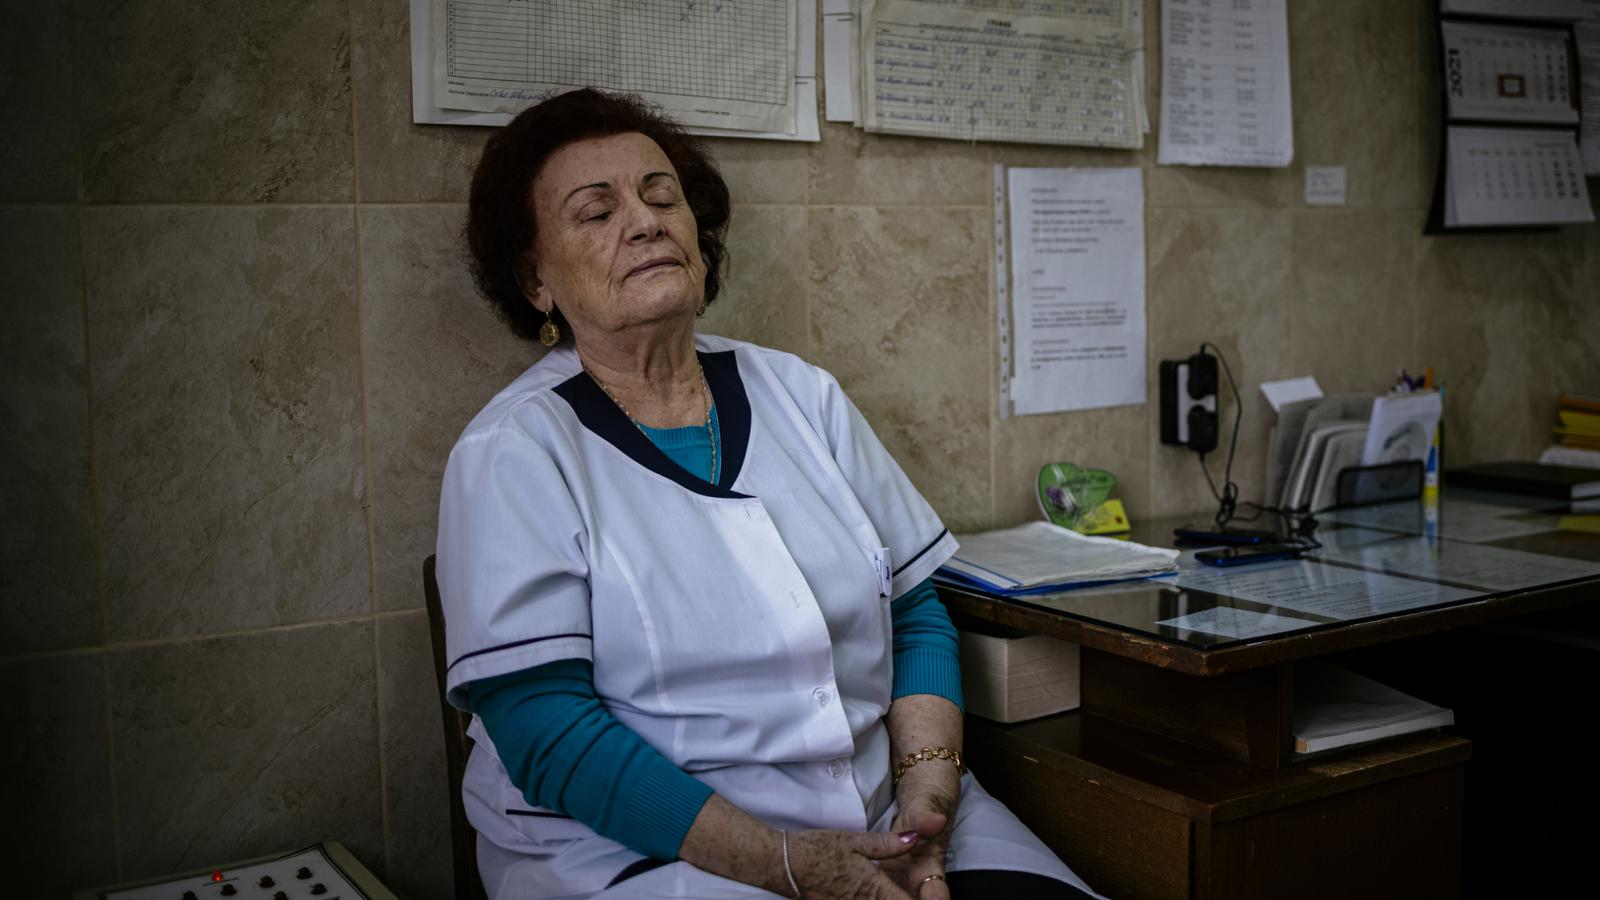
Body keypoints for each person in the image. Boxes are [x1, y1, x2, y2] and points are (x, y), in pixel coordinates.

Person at [437, 88, 1102, 900]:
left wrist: (929, 797)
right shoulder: (513, 452)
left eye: (660, 196)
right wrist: (782, 863)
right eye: (595, 212)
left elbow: (914, 610)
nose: (645, 222)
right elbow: (547, 732)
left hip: (890, 814)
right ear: (536, 279)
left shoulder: (801, 394)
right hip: (643, 857)